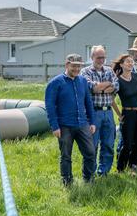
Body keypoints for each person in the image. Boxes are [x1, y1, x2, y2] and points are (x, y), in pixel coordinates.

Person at [44, 53, 96, 186]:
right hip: (64, 126)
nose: (77, 69)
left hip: (82, 123)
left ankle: (88, 179)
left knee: (90, 152)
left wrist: (92, 122)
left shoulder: (83, 81)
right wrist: (54, 126)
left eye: (79, 67)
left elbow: (88, 102)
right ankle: (67, 181)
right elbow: (50, 106)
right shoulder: (55, 83)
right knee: (66, 155)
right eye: (74, 66)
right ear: (67, 65)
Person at [80, 46, 119, 176]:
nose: (101, 60)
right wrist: (106, 87)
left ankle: (104, 172)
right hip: (93, 114)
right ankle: (90, 173)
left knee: (108, 144)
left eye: (103, 57)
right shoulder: (85, 71)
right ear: (92, 57)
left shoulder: (109, 70)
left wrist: (99, 88)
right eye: (98, 57)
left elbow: (116, 86)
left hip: (108, 112)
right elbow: (90, 87)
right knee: (92, 144)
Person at [112, 53, 137, 174]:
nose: (131, 63)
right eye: (128, 62)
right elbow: (111, 99)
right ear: (121, 64)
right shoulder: (118, 80)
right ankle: (120, 168)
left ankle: (133, 165)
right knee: (127, 143)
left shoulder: (135, 76)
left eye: (132, 61)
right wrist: (120, 115)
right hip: (128, 114)